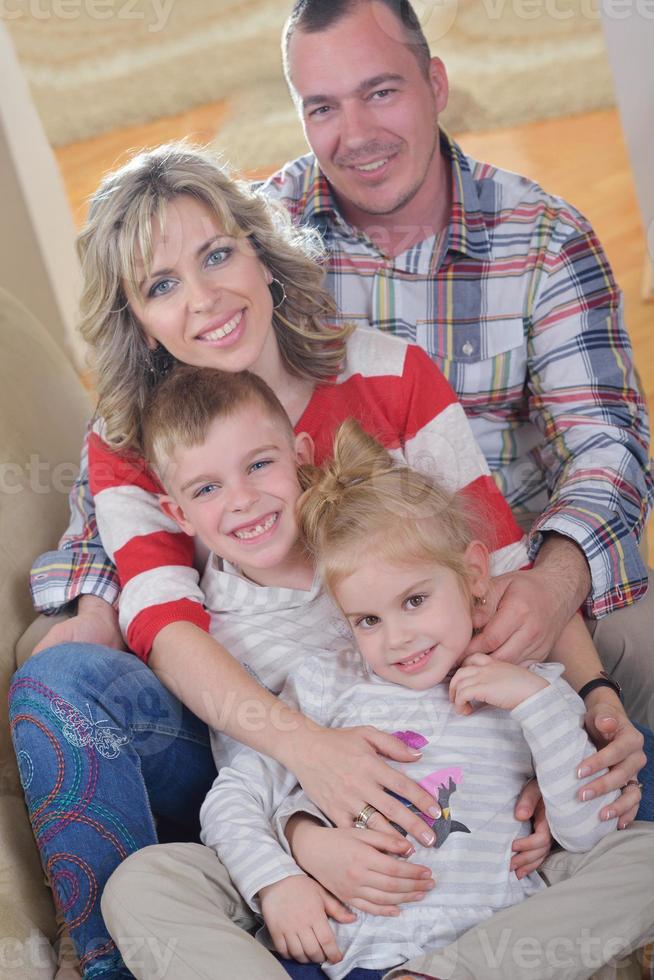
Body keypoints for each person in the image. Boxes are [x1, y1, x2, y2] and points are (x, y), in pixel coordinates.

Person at [12, 141, 616, 979]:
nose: (206, 299)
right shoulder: (126, 447)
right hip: (240, 747)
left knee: (631, 802)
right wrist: (307, 777)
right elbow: (164, 628)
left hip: (430, 731)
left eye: (217, 254)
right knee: (62, 688)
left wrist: (580, 707)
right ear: (138, 321)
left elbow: (499, 572)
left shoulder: (388, 373)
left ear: (260, 251)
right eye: (162, 285)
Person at [101, 374, 654, 980]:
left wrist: (539, 703)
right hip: (340, 933)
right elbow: (239, 795)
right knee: (139, 884)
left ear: (473, 577)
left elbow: (579, 832)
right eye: (366, 619)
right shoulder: (325, 682)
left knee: (643, 857)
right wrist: (282, 873)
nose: (397, 638)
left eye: (415, 601)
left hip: (486, 931)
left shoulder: (526, 680)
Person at [256, 0, 654, 728]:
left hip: (515, 580)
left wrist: (555, 582)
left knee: (642, 649)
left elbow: (610, 444)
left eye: (381, 92)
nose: (357, 137)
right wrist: (89, 594)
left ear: (435, 83)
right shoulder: (258, 248)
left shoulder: (546, 240)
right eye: (323, 108)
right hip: (344, 609)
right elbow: (153, 414)